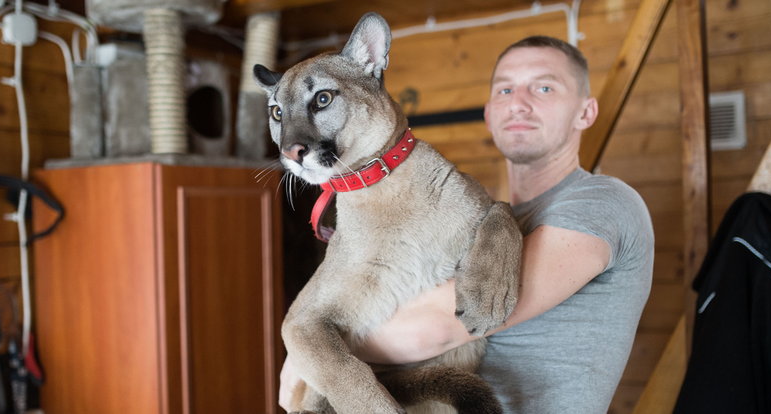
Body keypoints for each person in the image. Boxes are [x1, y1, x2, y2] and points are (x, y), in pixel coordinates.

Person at [280, 36, 655, 413]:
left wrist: (310, 355)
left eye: (544, 87)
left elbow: (435, 328)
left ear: (586, 112)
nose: (519, 103)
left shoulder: (604, 202)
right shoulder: (466, 210)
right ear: (489, 112)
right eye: (505, 89)